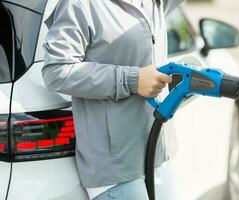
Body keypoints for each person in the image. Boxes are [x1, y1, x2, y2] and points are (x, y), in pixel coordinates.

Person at [41, 0, 183, 199]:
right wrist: (132, 80)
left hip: (158, 154)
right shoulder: (79, 4)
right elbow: (57, 71)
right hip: (116, 170)